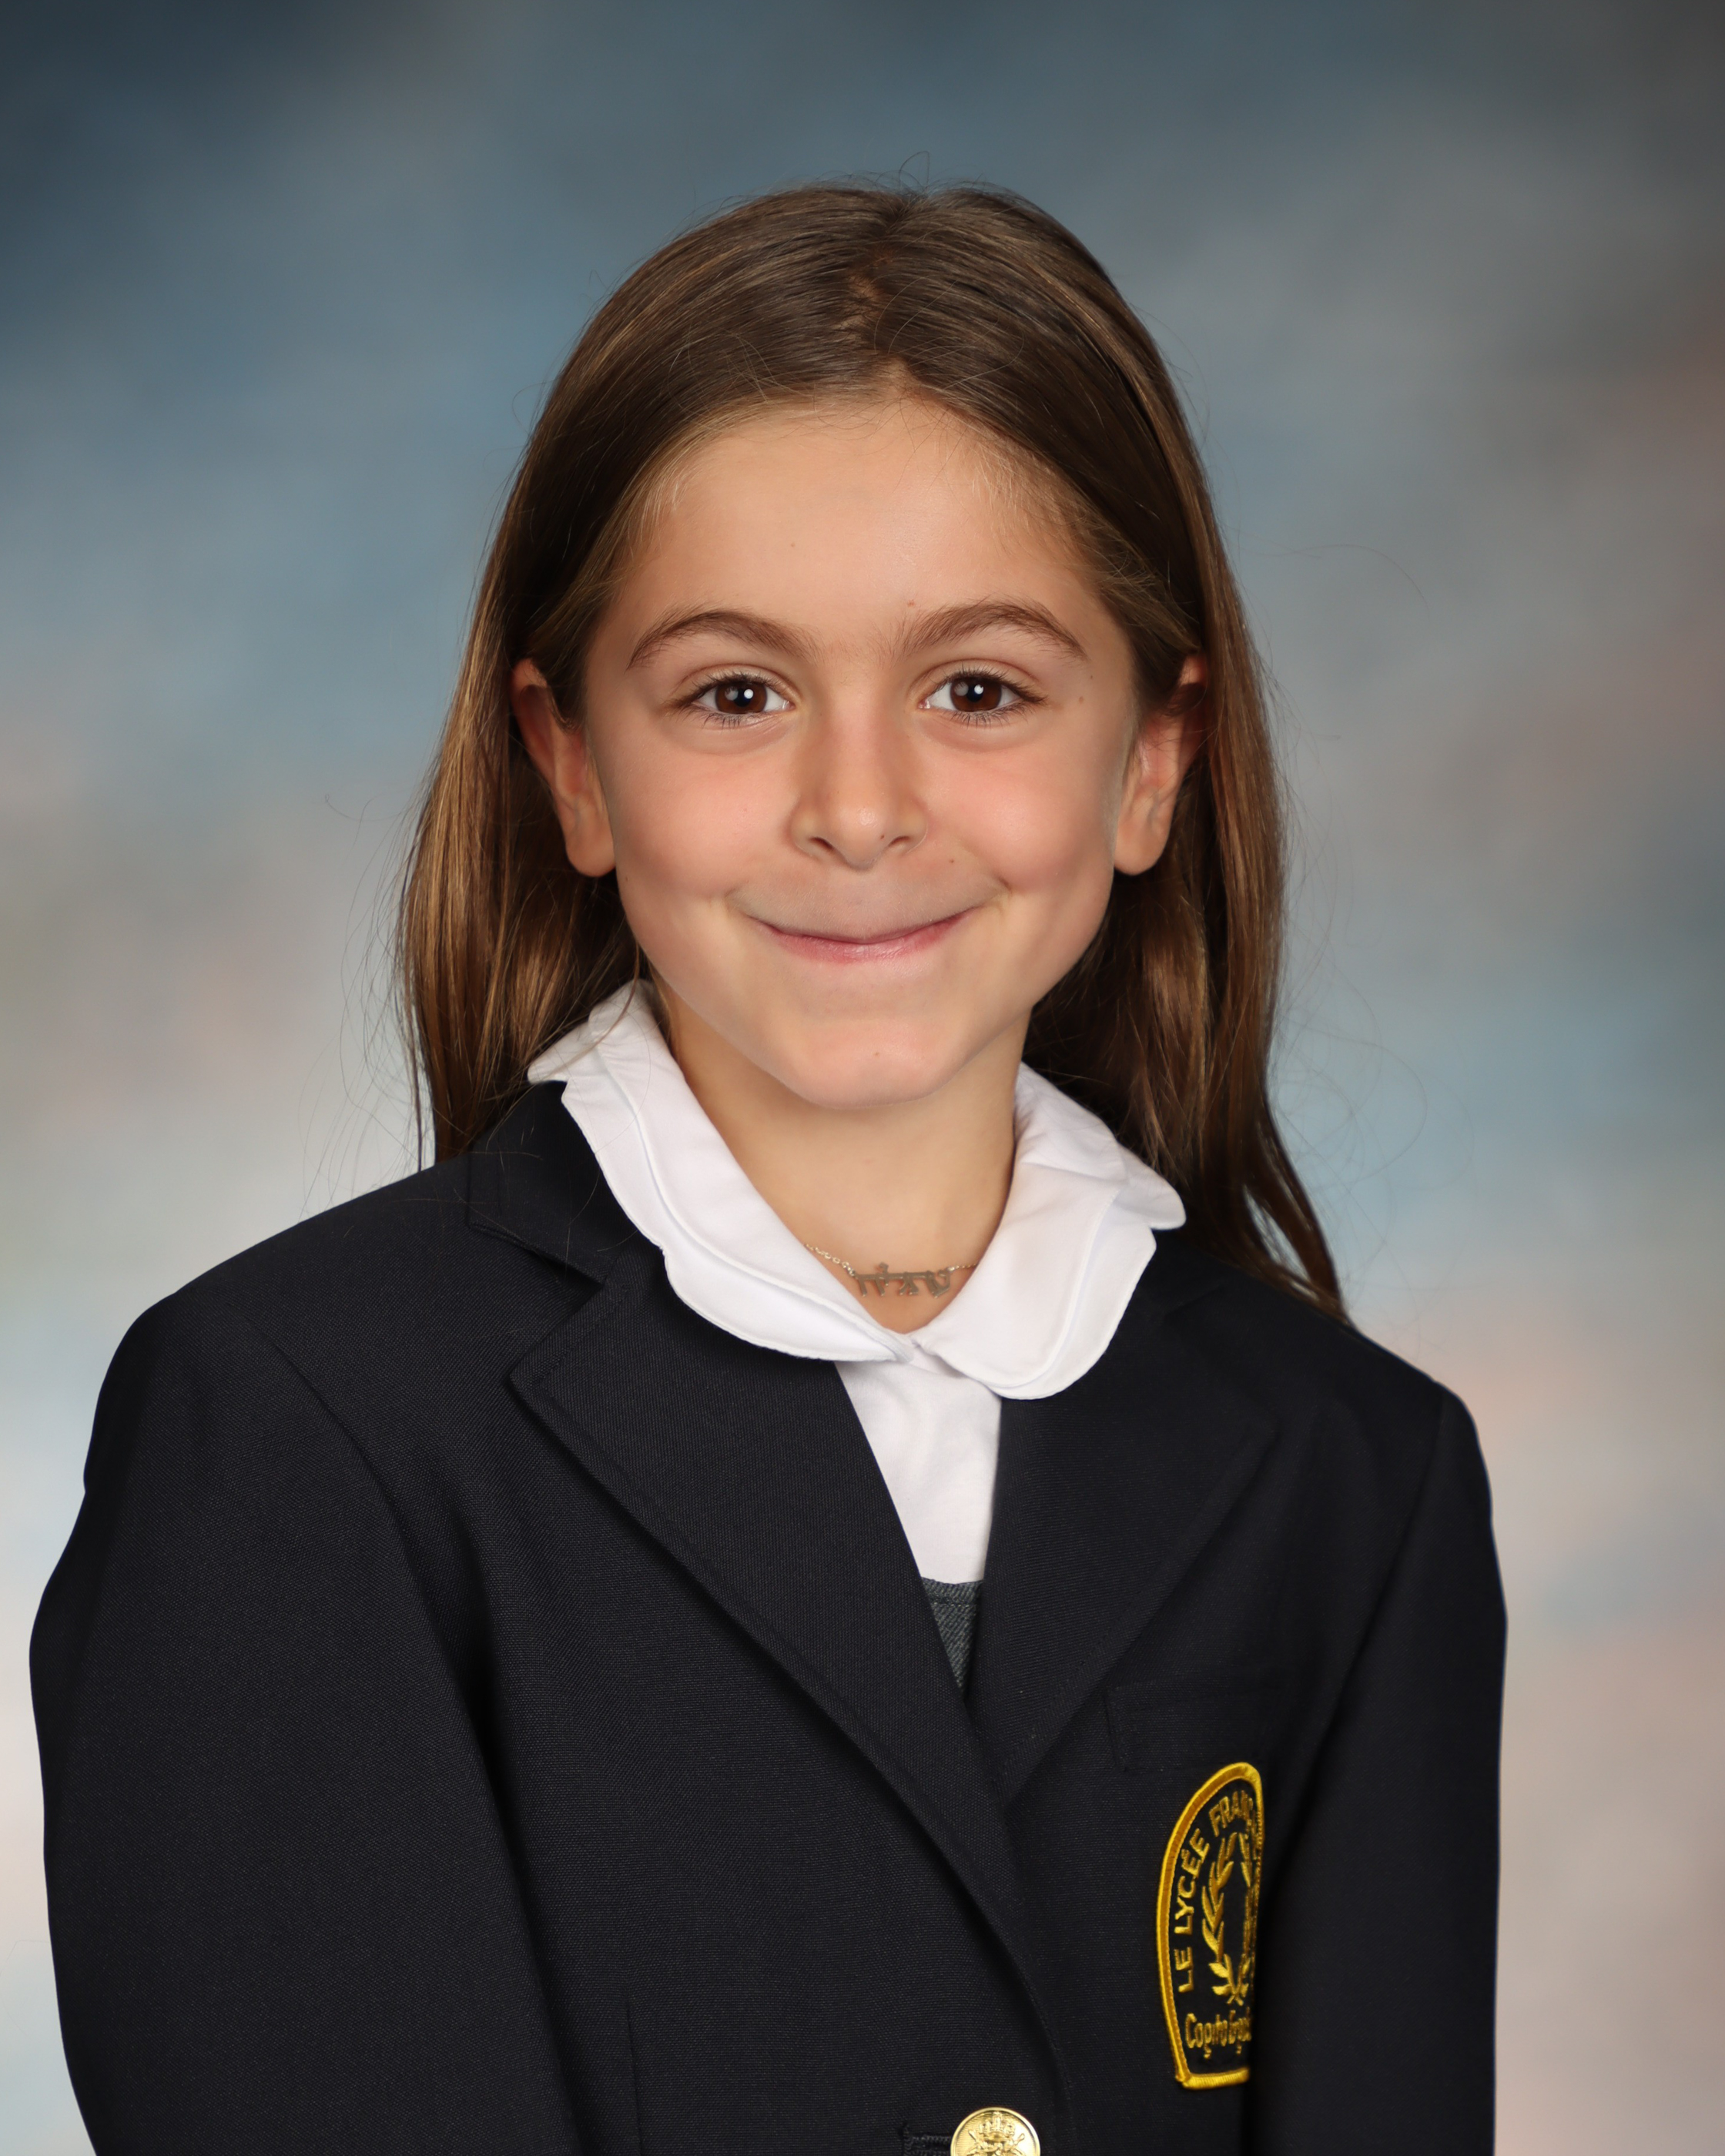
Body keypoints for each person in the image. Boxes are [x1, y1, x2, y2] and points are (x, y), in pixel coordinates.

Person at [32, 185, 1505, 2156]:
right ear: (572, 761)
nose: (859, 809)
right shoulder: (297, 1430)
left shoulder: (1356, 1473)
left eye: (978, 688)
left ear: (1154, 760)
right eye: (736, 693)